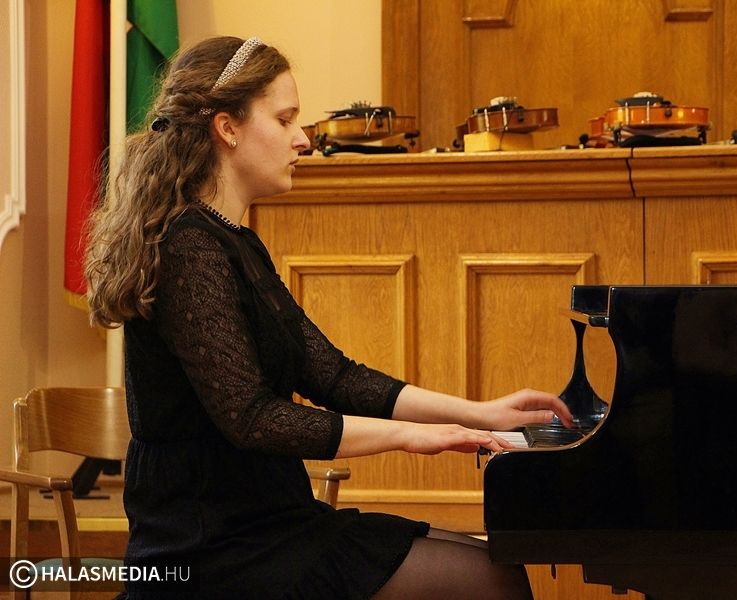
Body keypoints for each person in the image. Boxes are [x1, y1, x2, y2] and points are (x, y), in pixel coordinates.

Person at [84, 36, 572, 600]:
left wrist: (478, 414)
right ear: (228, 128)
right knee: (492, 580)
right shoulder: (189, 247)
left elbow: (334, 376)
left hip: (269, 521)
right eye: (285, 119)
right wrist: (414, 437)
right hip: (209, 546)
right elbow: (253, 419)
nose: (303, 138)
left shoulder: (236, 243)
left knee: (496, 568)